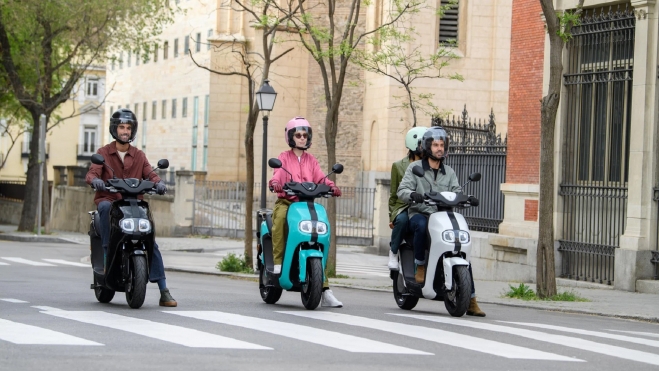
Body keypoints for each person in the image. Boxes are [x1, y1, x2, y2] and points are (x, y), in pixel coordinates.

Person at [85, 108, 177, 307]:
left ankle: (164, 290)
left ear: (133, 131)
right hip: (111, 202)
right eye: (121, 127)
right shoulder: (103, 153)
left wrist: (159, 183)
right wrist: (96, 182)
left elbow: (150, 174)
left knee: (151, 241)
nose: (125, 131)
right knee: (104, 208)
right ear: (114, 129)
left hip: (133, 204)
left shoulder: (139, 155)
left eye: (128, 127)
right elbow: (92, 173)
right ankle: (108, 249)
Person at [396, 126, 485, 316]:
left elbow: (456, 191)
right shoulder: (415, 168)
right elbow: (401, 190)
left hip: (442, 217)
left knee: (459, 249)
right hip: (420, 214)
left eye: (442, 145)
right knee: (420, 224)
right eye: (435, 145)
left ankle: (471, 299)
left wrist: (467, 198)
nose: (439, 148)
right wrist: (413, 195)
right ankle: (420, 265)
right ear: (428, 147)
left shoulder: (449, 172)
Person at [268, 116, 343, 308]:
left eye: (305, 135)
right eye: (298, 135)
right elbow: (277, 174)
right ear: (291, 137)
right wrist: (275, 183)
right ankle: (278, 263)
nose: (302, 138)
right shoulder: (284, 158)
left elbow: (321, 178)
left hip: (307, 205)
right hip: (287, 203)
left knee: (323, 232)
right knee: (280, 219)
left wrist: (332, 186)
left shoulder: (311, 160)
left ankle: (324, 289)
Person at [388, 126, 427, 270]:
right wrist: (391, 217)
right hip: (404, 205)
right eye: (423, 143)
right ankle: (393, 252)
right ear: (414, 143)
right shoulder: (398, 166)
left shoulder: (429, 165)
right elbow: (393, 194)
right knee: (403, 220)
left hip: (423, 205)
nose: (425, 147)